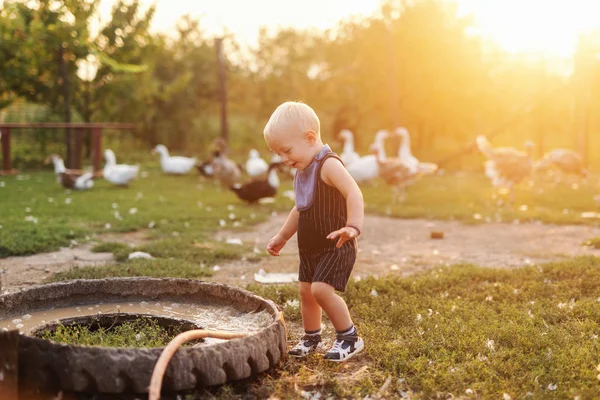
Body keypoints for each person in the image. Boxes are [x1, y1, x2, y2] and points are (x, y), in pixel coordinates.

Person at [264, 101, 365, 362]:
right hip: (310, 247)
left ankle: (349, 337)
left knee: (321, 290)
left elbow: (353, 192)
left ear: (310, 138)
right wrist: (282, 236)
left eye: (286, 151)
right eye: (278, 155)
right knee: (306, 293)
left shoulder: (328, 165)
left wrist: (353, 226)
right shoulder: (303, 169)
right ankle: (311, 336)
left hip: (336, 244)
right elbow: (300, 208)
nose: (283, 159)